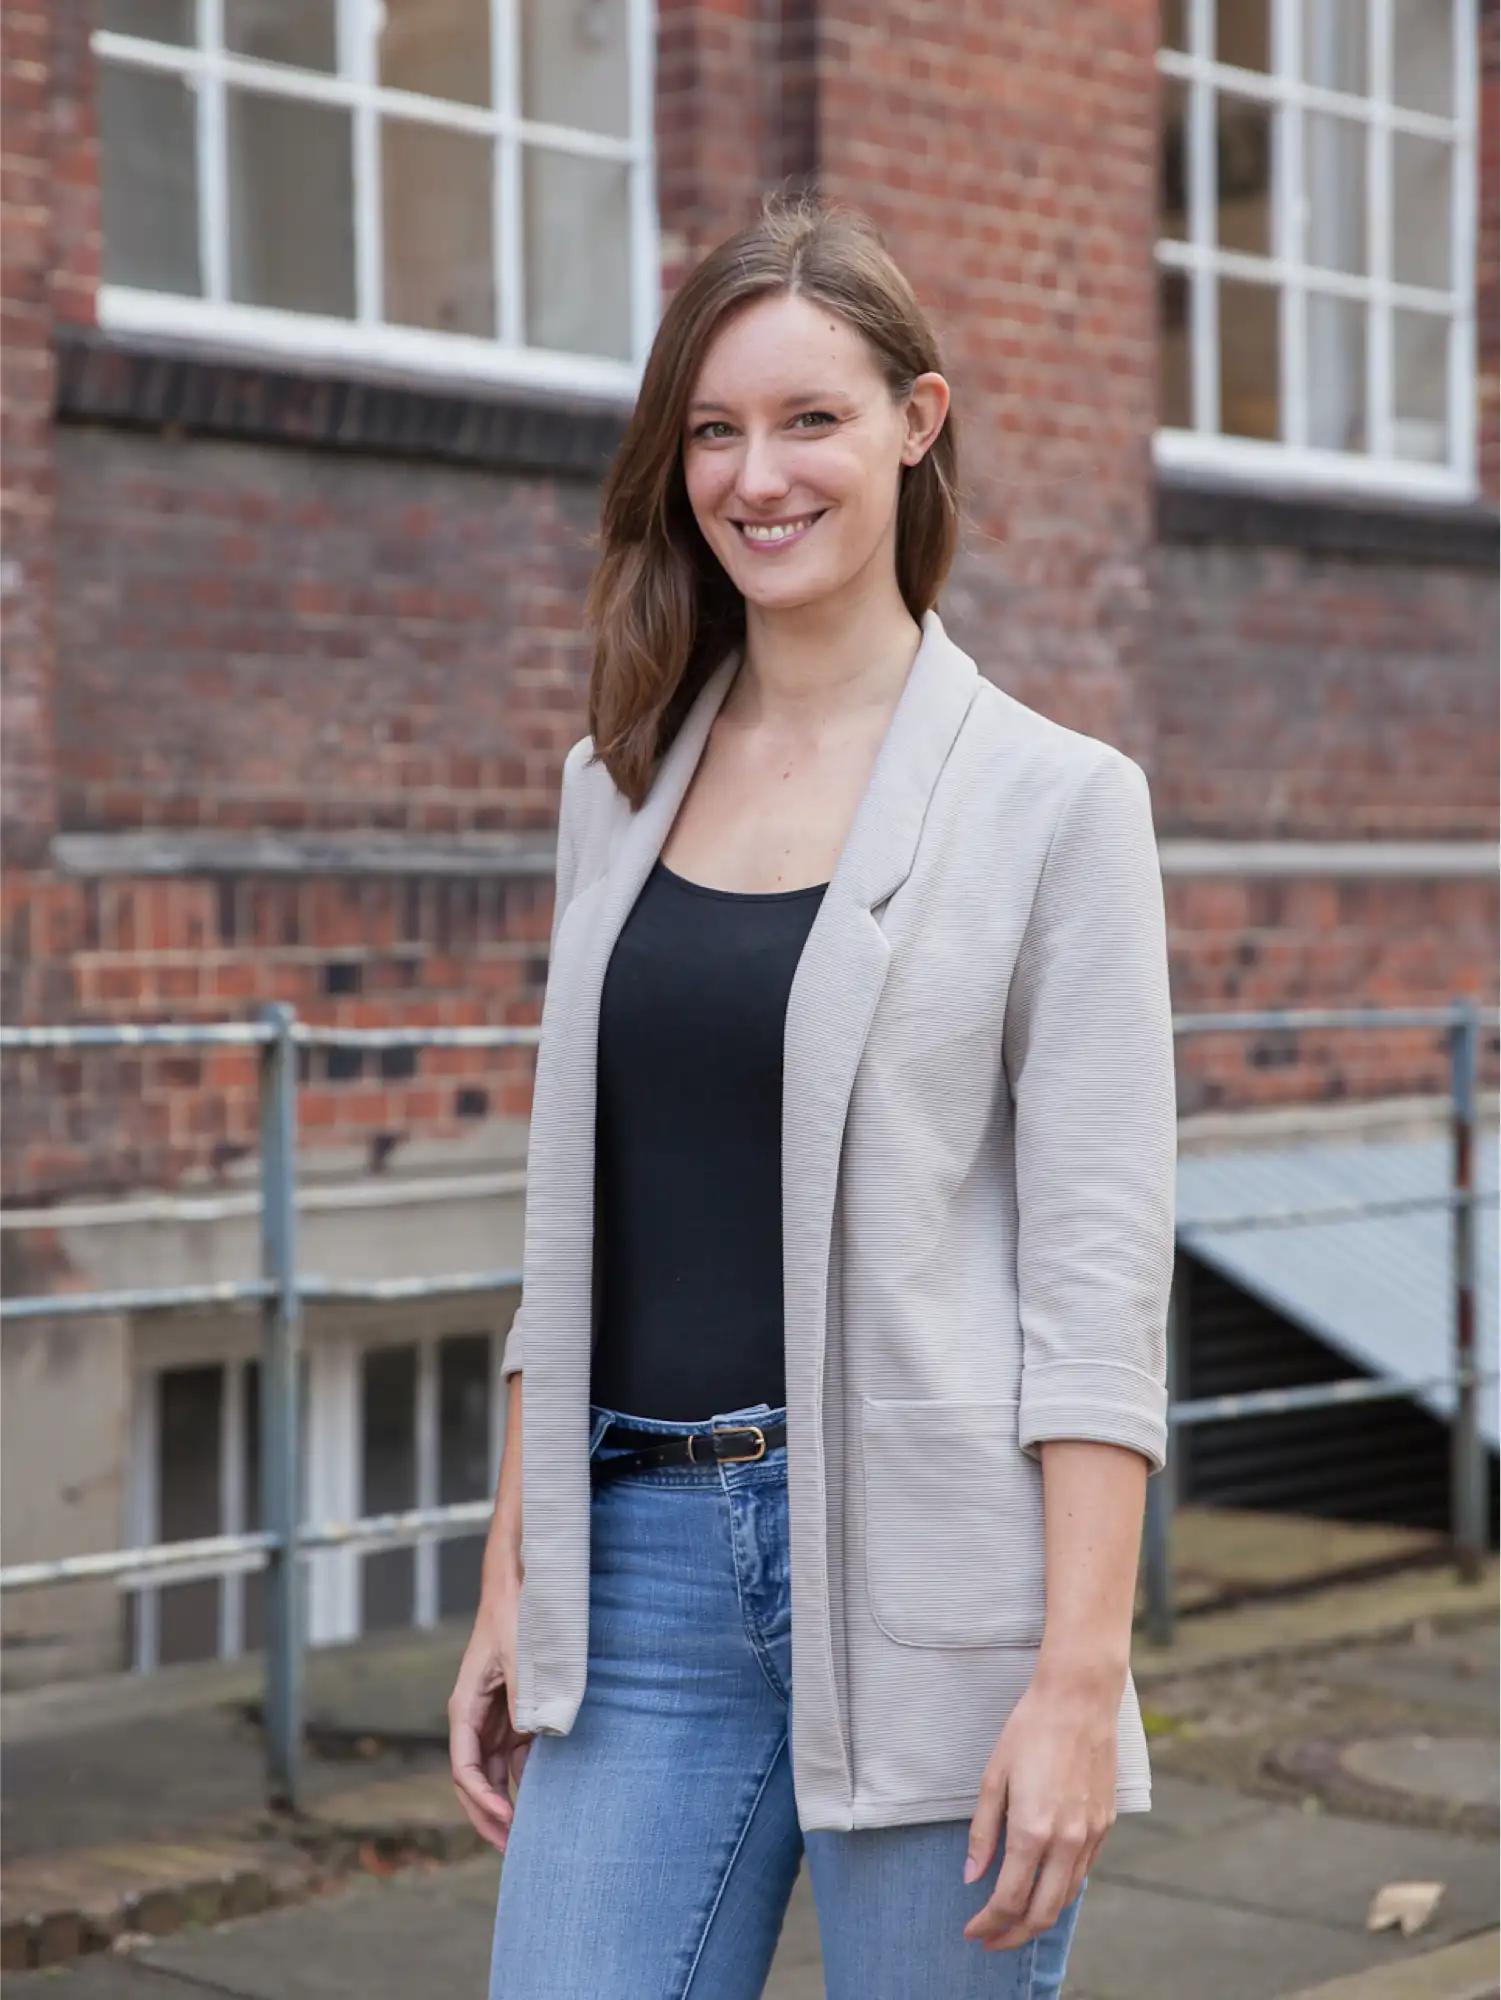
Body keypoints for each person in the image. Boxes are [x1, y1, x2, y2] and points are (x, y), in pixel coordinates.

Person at [448, 189, 1177, 1999]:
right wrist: (508, 1573)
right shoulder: (611, 786)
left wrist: (1076, 1683)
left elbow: (1095, 1288)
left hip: (941, 1589)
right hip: (639, 1586)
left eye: (807, 419)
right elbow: (580, 1223)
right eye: (712, 428)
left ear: (914, 426)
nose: (753, 475)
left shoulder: (1056, 804)